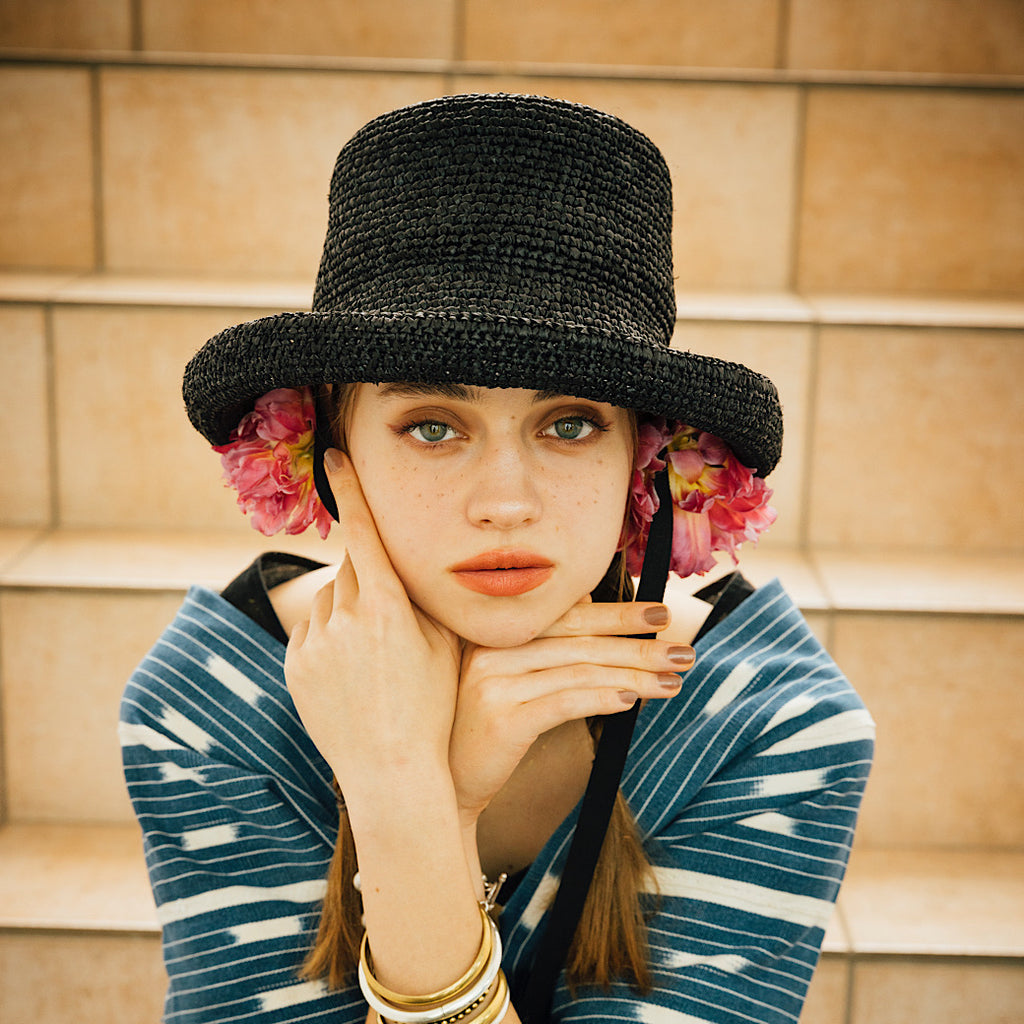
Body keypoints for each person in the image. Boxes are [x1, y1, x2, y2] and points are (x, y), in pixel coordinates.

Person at [120, 93, 874, 1024]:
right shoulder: (210, 706)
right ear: (333, 459)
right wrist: (406, 787)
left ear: (642, 463)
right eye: (433, 426)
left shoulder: (772, 724)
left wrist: (427, 809)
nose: (506, 502)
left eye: (570, 423)